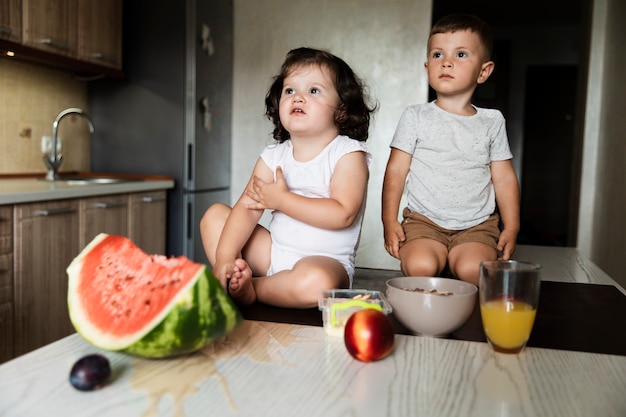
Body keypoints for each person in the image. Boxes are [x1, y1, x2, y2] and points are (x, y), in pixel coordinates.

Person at [200, 47, 376, 308]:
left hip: (325, 262)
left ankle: (254, 289)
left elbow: (343, 214)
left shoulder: (348, 154)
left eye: (313, 90)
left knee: (317, 283)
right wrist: (225, 256)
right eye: (290, 90)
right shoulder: (273, 156)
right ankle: (232, 273)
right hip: (273, 254)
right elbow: (247, 209)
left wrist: (282, 200)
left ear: (342, 109)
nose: (298, 97)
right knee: (215, 216)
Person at [381, 14, 520, 286]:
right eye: (437, 54)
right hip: (424, 223)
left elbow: (503, 178)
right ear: (427, 67)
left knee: (472, 271)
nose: (446, 62)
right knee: (420, 266)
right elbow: (396, 171)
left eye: (461, 54)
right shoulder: (415, 116)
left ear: (483, 71)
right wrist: (389, 219)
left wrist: (512, 226)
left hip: (477, 226)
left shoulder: (492, 121)